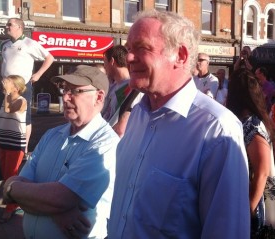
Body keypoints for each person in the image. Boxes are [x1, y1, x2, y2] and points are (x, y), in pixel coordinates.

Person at [107, 10, 250, 238]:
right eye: (129, 49)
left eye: (141, 47)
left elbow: (226, 231)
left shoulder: (216, 130)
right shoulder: (136, 116)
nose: (130, 57)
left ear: (180, 55)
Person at [2, 65, 119, 239]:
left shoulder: (105, 143)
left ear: (99, 97)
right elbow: (35, 195)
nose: (65, 97)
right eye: (65, 89)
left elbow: (61, 198)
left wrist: (11, 187)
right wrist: (56, 210)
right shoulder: (52, 135)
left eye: (75, 91)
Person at [226, 69, 275, 237]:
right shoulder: (244, 122)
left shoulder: (251, 125)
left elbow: (262, 171)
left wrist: (248, 210)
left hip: (250, 211)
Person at [1, 18, 54, 158]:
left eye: (9, 24)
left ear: (19, 27)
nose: (6, 26)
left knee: (24, 116)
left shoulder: (30, 43)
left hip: (22, 86)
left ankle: (23, 148)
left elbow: (50, 58)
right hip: (7, 87)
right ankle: (7, 144)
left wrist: (38, 74)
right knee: (7, 114)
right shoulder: (4, 44)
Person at [0, 75, 27, 223]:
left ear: (16, 87)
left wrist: (7, 93)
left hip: (15, 143)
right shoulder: (5, 100)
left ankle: (11, 207)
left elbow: (9, 110)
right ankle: (14, 202)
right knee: (5, 176)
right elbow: (2, 121)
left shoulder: (22, 101)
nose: (4, 84)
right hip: (3, 142)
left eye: (8, 83)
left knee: (10, 177)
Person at [101, 45, 131, 122]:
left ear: (112, 61)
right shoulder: (113, 87)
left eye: (105, 62)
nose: (104, 66)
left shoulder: (130, 88)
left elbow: (121, 127)